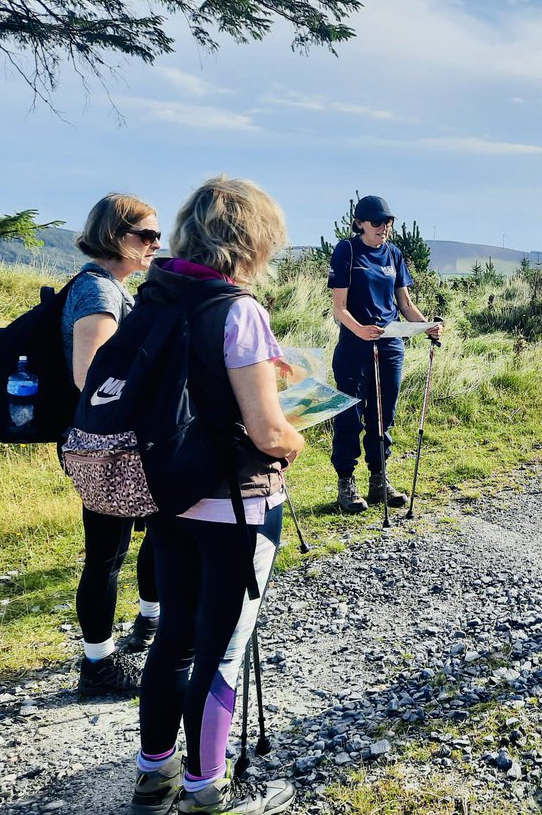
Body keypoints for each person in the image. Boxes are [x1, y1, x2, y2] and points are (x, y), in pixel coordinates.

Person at [130, 177, 302, 815]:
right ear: (250, 239)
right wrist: (295, 440)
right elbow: (266, 430)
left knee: (174, 633)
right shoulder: (238, 309)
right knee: (223, 645)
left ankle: (155, 772)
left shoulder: (160, 295)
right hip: (236, 503)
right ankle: (208, 791)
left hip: (168, 492)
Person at [64, 193, 164, 697]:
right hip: (110, 448)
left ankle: (147, 623)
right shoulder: (99, 294)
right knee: (106, 554)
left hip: (123, 443)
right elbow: (93, 376)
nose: (154, 244)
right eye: (145, 235)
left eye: (157, 236)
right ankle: (98, 664)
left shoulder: (113, 290)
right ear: (114, 236)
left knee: (151, 536)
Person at [327, 195, 442, 513]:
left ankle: (379, 479)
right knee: (348, 415)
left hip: (390, 346)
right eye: (377, 222)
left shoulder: (394, 254)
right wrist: (359, 329)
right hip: (355, 346)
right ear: (360, 222)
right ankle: (346, 482)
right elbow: (339, 309)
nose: (384, 228)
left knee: (383, 416)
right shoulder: (347, 251)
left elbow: (404, 305)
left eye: (388, 222)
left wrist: (426, 326)